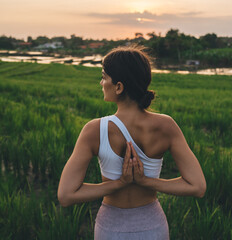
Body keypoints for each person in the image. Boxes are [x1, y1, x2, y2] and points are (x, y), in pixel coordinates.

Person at [57, 44, 206, 240]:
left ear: (119, 87)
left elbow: (66, 195)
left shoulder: (95, 130)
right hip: (152, 226)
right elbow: (197, 186)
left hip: (111, 228)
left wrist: (119, 184)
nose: (101, 83)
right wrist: (147, 182)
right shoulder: (166, 126)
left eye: (104, 77)